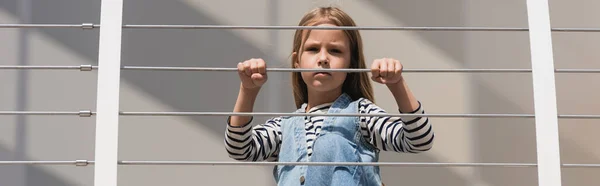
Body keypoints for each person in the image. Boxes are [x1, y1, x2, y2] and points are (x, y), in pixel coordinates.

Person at [224, 6, 434, 186]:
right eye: (313, 49)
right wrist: (248, 91)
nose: (323, 58)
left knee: (330, 144)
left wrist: (397, 85)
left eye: (335, 51)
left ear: (351, 64)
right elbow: (239, 149)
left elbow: (419, 141)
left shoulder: (361, 114)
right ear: (297, 61)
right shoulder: (284, 127)